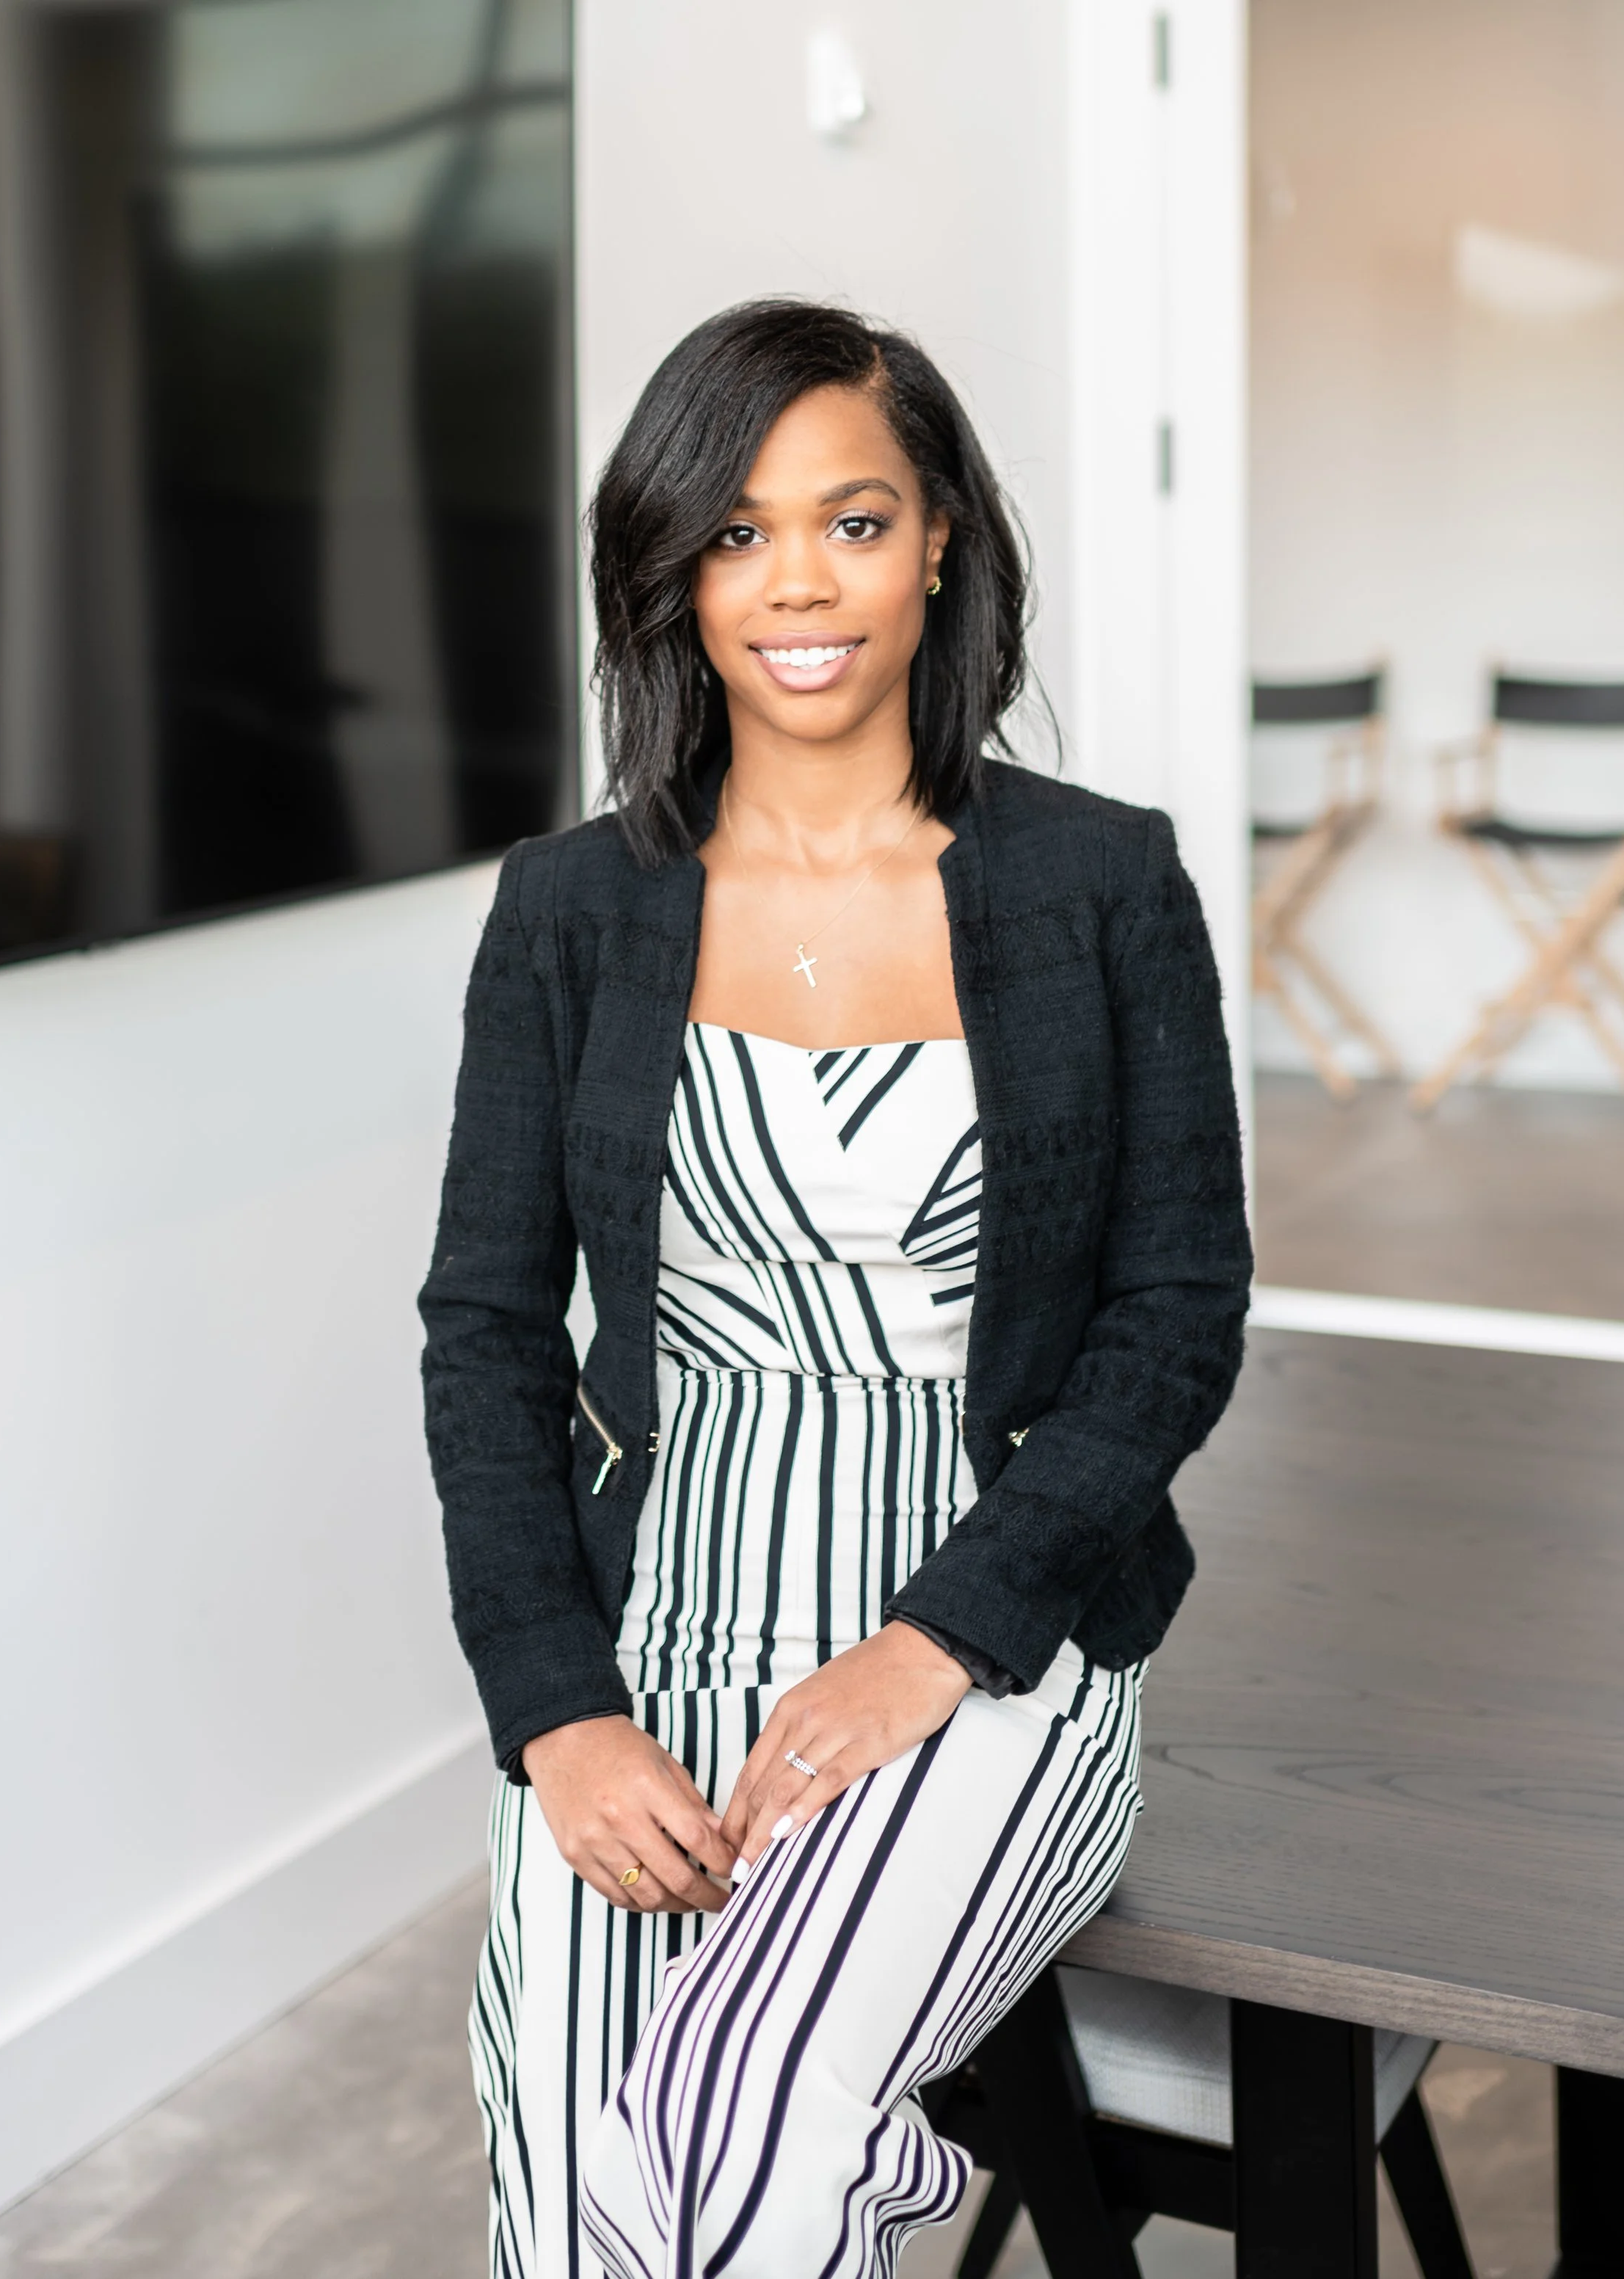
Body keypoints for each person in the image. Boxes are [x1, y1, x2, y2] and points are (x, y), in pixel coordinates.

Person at [419, 299, 1250, 2279]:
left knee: (744, 2153)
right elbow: (483, 1333)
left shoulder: (1097, 883)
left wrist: (934, 1639)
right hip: (651, 1635)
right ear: (670, 571)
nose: (793, 582)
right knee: (563, 2184)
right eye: (732, 531)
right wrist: (556, 1711)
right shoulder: (569, 910)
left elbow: (1171, 1314)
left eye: (851, 521)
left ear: (940, 536)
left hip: (991, 1637)